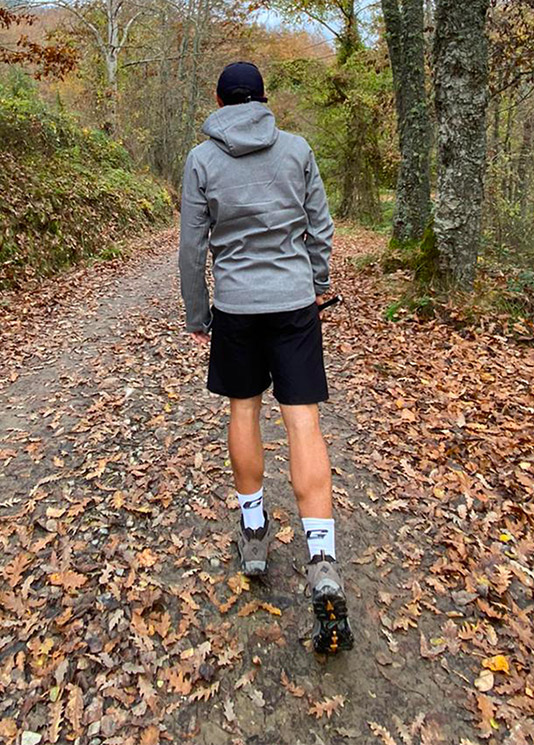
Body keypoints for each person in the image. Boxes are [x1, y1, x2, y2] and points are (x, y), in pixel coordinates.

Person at [178, 61, 353, 653]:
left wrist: (198, 314)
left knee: (244, 412)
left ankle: (254, 534)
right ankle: (323, 560)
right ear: (264, 99)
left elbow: (191, 247)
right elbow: (320, 227)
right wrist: (317, 280)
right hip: (293, 302)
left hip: (236, 307)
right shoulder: (297, 149)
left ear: (220, 100)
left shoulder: (202, 160)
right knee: (303, 420)